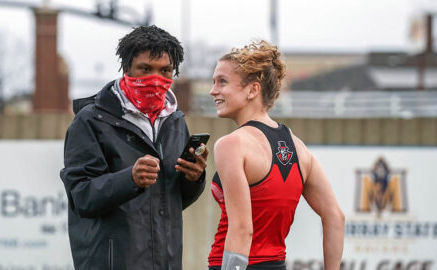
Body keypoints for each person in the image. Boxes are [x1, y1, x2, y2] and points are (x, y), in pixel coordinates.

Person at [60, 25, 208, 270]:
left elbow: (171, 201)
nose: (155, 78)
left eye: (165, 70)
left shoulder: (175, 120)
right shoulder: (90, 121)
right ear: (127, 67)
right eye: (145, 69)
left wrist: (194, 178)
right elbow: (81, 196)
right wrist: (130, 179)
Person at [207, 41, 345, 270]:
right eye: (213, 82)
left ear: (252, 90)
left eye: (222, 82)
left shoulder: (231, 145)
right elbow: (335, 217)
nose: (213, 90)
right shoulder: (299, 149)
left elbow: (243, 229)